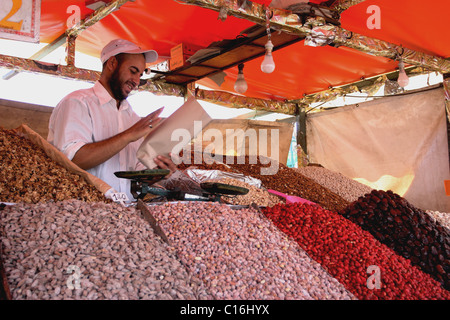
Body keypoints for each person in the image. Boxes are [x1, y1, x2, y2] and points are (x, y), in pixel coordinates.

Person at [48, 39, 178, 201]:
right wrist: (128, 135)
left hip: (122, 213)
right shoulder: (77, 103)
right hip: (83, 212)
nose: (136, 81)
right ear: (112, 64)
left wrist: (159, 172)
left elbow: (134, 174)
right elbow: (72, 161)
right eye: (132, 71)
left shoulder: (131, 116)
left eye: (140, 74)